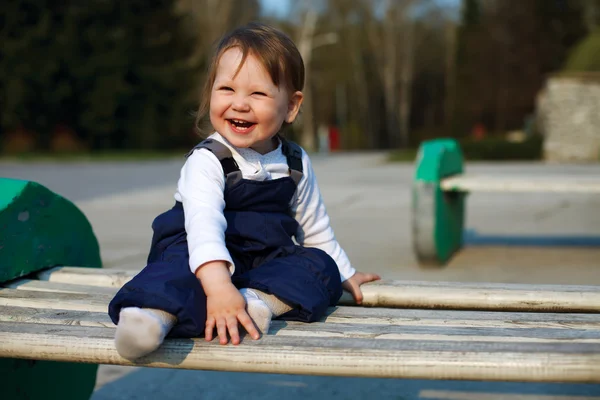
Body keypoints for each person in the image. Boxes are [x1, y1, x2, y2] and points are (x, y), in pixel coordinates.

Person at [108, 22, 380, 360]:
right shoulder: (208, 160)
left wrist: (345, 273)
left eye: (258, 93)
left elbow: (315, 228)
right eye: (227, 89)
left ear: (291, 106)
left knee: (320, 266)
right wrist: (219, 285)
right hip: (197, 250)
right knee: (176, 276)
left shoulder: (295, 161)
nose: (240, 104)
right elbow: (203, 225)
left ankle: (256, 302)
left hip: (264, 260)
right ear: (210, 94)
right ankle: (151, 318)